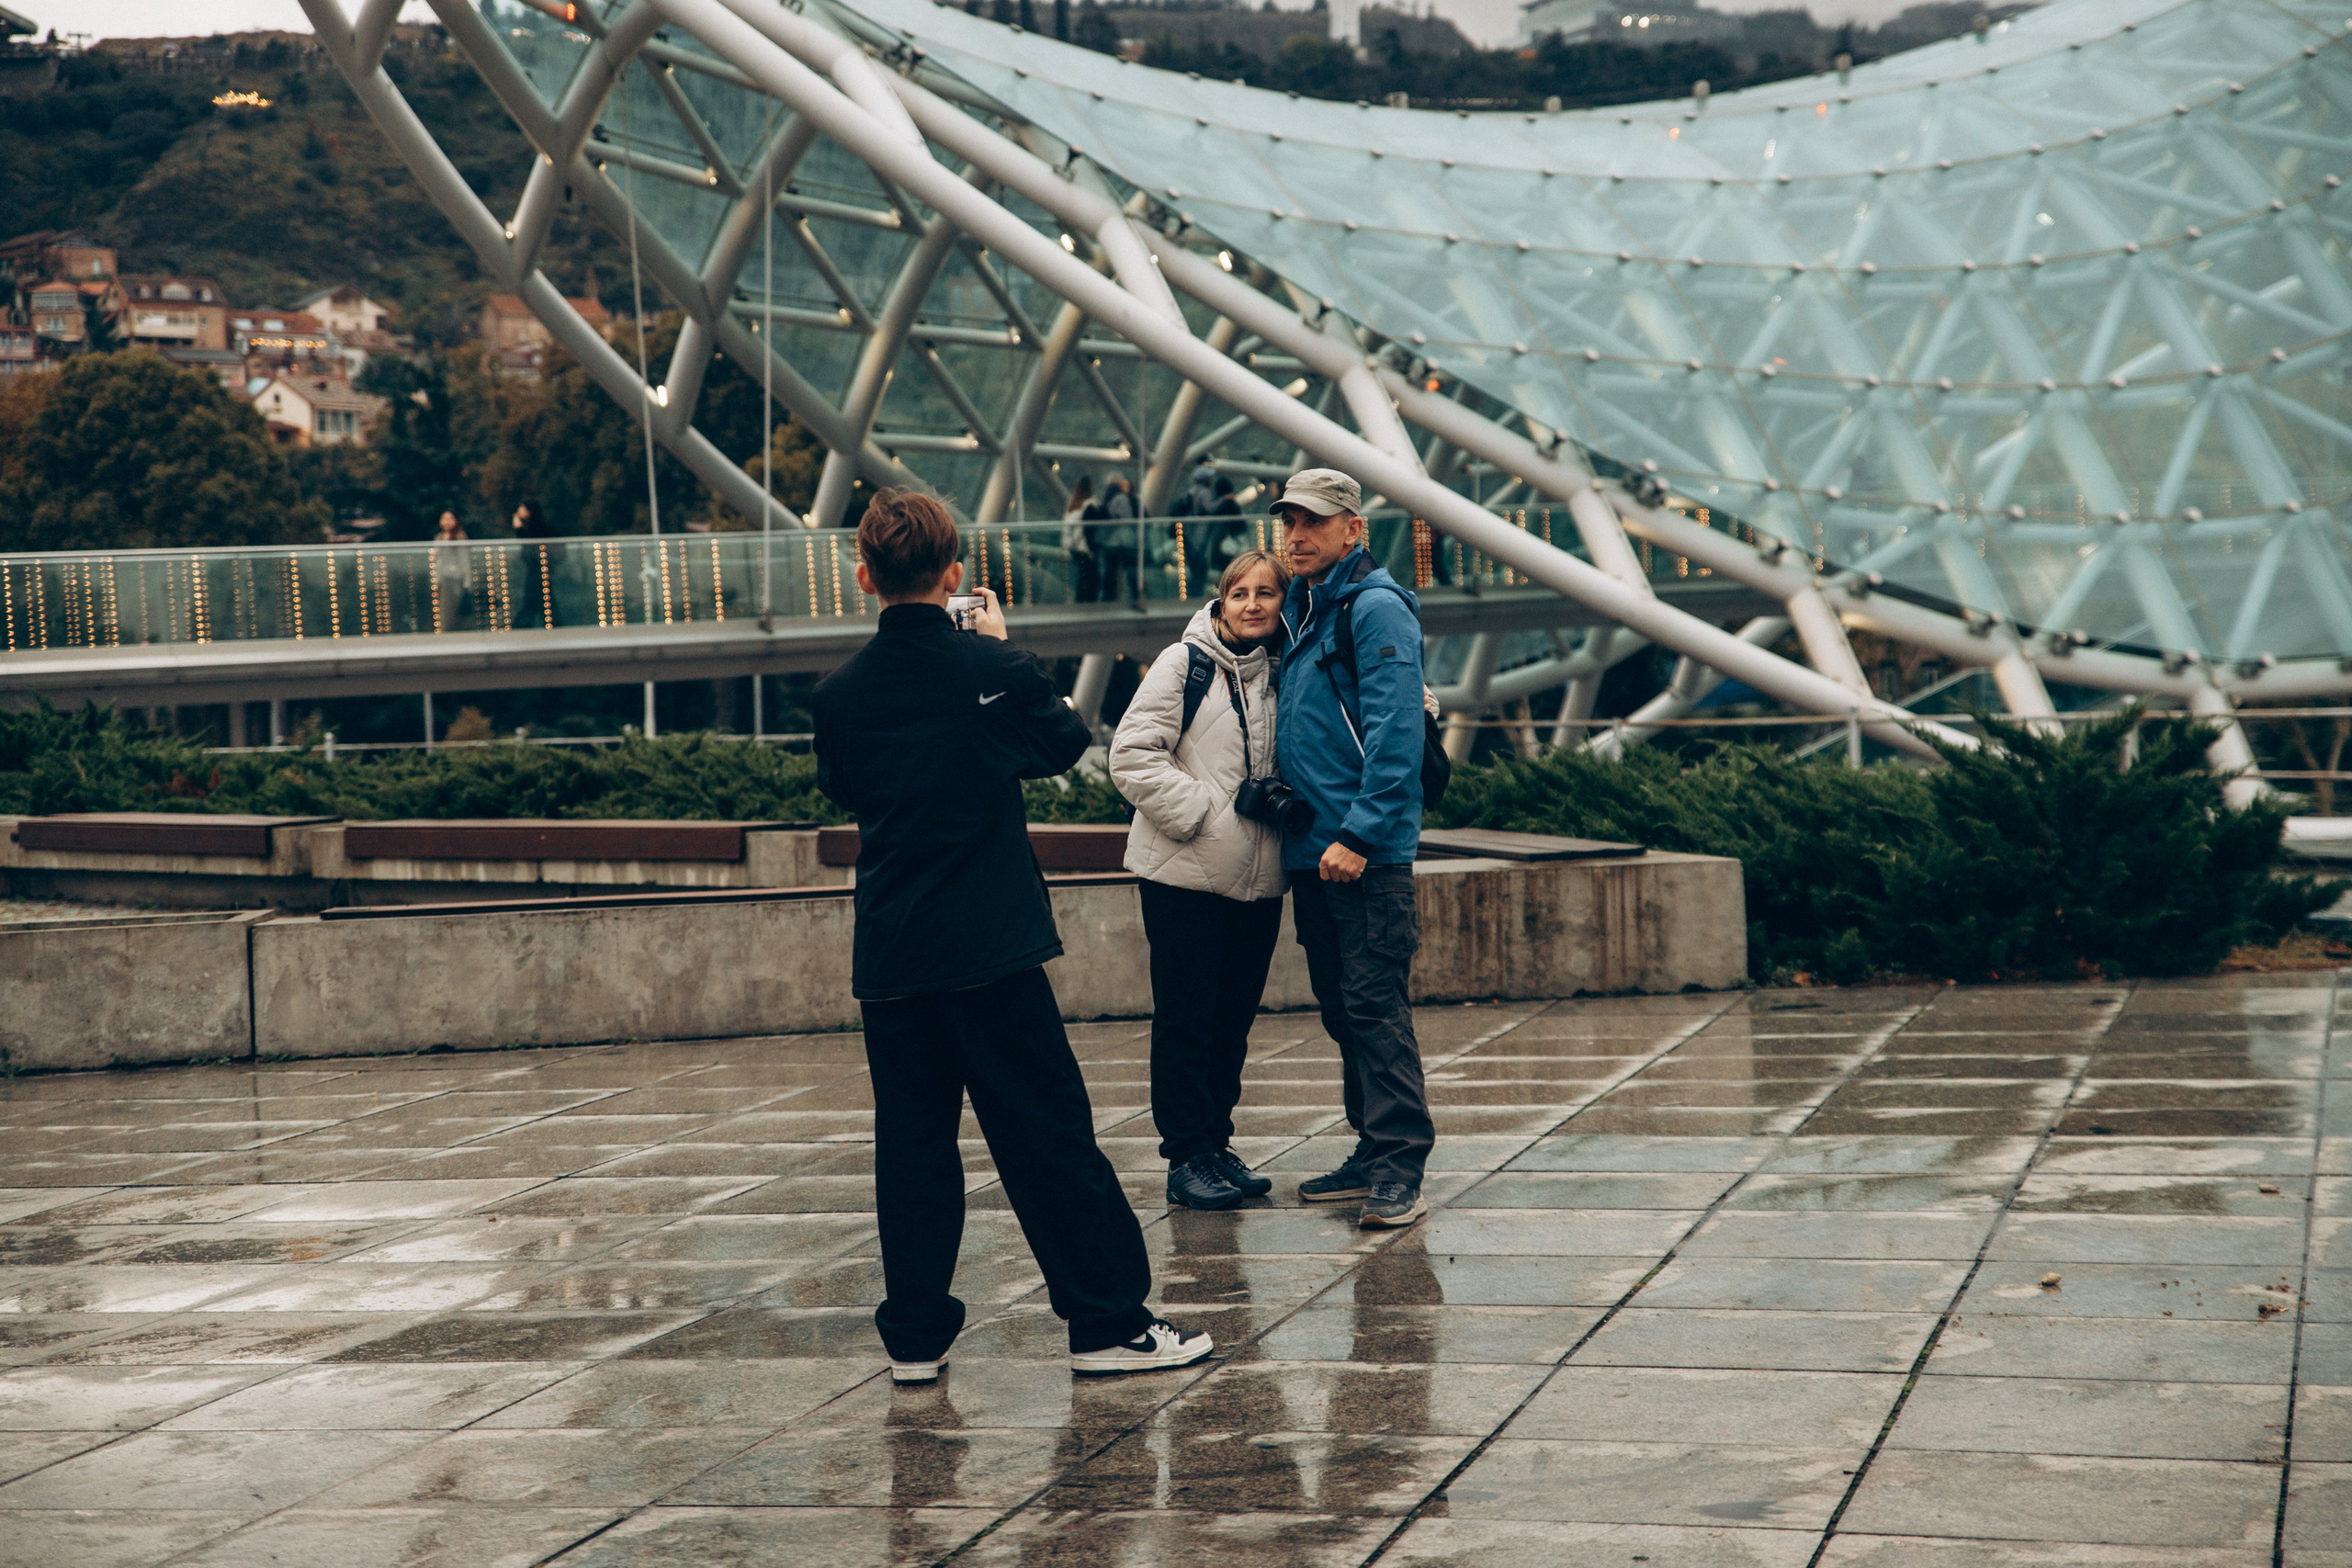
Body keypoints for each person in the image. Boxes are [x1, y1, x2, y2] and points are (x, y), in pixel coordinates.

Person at [812, 488, 1213, 1382]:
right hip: (988, 945)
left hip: (891, 949)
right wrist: (996, 650)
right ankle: (1106, 1321)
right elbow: (1063, 742)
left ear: (864, 575)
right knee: (1045, 1133)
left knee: (911, 1142)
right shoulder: (988, 671)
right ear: (955, 574)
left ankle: (915, 1337)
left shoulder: (838, 694)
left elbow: (846, 788)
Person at [1272, 468, 1434, 1230]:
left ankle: (1401, 1163)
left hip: (1362, 854)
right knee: (1344, 1010)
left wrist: (1361, 834)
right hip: (1314, 852)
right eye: (1288, 522)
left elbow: (1397, 735)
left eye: (1313, 522)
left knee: (1375, 1007)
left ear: (1352, 529)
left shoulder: (1373, 608)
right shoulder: (1306, 608)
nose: (1296, 536)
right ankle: (1372, 1148)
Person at [1109, 549, 1292, 1211]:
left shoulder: (1282, 672)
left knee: (1232, 1020)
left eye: (1266, 593)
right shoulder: (1183, 664)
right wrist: (1200, 815)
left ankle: (1216, 1142)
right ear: (1219, 601)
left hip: (1259, 877)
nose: (1251, 604)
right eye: (1239, 592)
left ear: (1282, 603)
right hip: (1183, 874)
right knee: (1187, 1019)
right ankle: (1186, 1155)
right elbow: (1129, 755)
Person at [1093, 474, 1139, 602]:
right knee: (1131, 569)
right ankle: (1136, 596)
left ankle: (1108, 597)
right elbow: (1127, 518)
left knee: (1111, 571)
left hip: (1110, 542)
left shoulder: (1108, 499)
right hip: (1122, 542)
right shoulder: (1121, 498)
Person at [1060, 475, 1102, 604]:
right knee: (1091, 578)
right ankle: (1088, 605)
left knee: (1082, 578)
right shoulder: (1090, 505)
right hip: (1084, 547)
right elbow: (1089, 530)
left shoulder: (1072, 504)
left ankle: (1080, 603)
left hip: (1071, 547)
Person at [430, 511, 474, 632]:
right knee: (444, 612)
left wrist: (467, 583)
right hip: (442, 579)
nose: (446, 522)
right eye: (444, 519)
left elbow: (465, 561)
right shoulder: (439, 538)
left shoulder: (459, 538)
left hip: (455, 580)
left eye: (450, 519)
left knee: (449, 613)